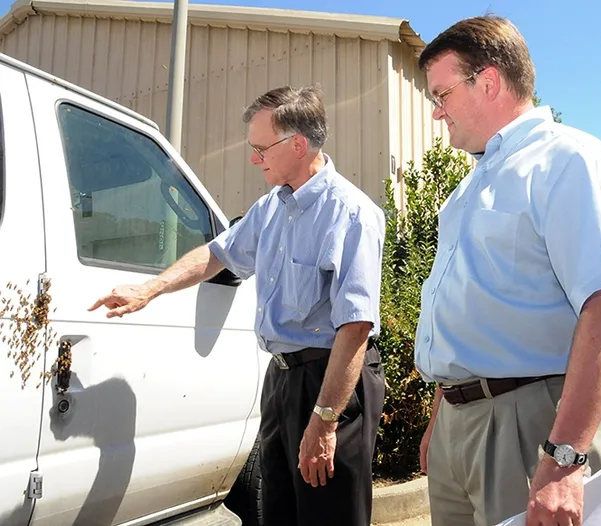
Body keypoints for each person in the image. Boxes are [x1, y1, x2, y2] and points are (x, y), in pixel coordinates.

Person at [89, 85, 386, 526]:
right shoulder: (270, 209)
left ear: (298, 145)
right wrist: (150, 289)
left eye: (260, 148)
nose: (253, 158)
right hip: (282, 379)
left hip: (330, 383)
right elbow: (216, 255)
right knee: (278, 513)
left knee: (329, 516)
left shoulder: (351, 213)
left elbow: (355, 327)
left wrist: (324, 421)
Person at [414, 15, 601, 526]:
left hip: (530, 424)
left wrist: (565, 458)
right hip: (457, 428)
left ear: (487, 81)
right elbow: (461, 312)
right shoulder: (468, 189)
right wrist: (442, 415)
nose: (435, 112)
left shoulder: (568, 160)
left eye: (441, 95)